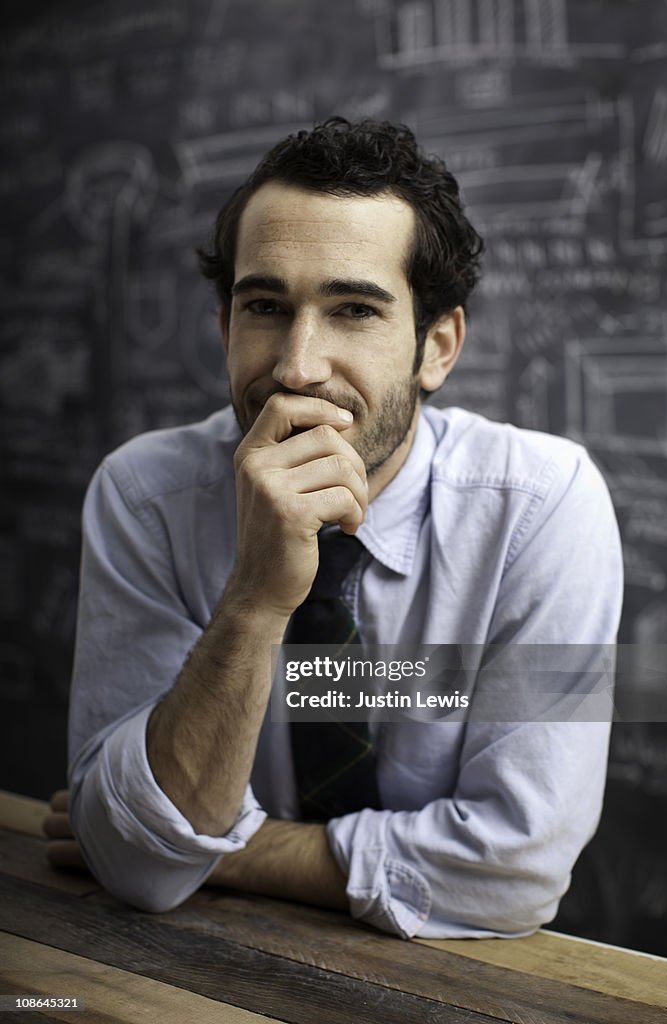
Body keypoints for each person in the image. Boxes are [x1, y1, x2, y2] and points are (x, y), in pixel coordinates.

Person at [46, 118, 623, 939]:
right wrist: (253, 599)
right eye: (265, 306)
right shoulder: (145, 496)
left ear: (437, 347)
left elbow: (515, 871)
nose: (296, 367)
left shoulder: (539, 505)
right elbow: (137, 871)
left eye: (353, 309)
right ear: (223, 325)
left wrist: (224, 847)